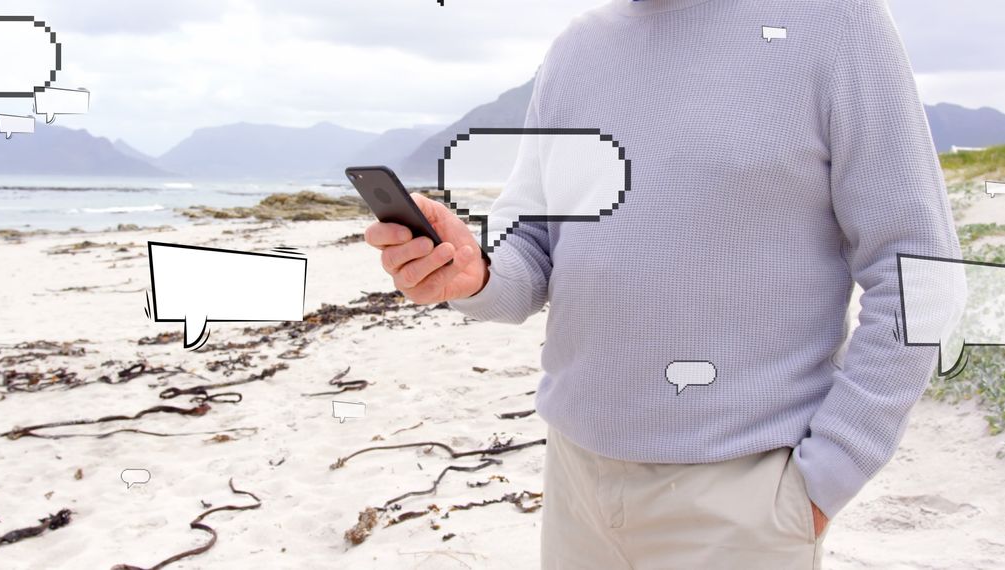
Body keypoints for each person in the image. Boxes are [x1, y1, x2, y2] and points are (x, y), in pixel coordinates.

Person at [364, 0, 962, 567]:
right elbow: (535, 248)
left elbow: (920, 272)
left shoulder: (834, 21)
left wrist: (826, 477)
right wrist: (475, 274)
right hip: (576, 482)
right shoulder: (577, 49)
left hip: (744, 499)